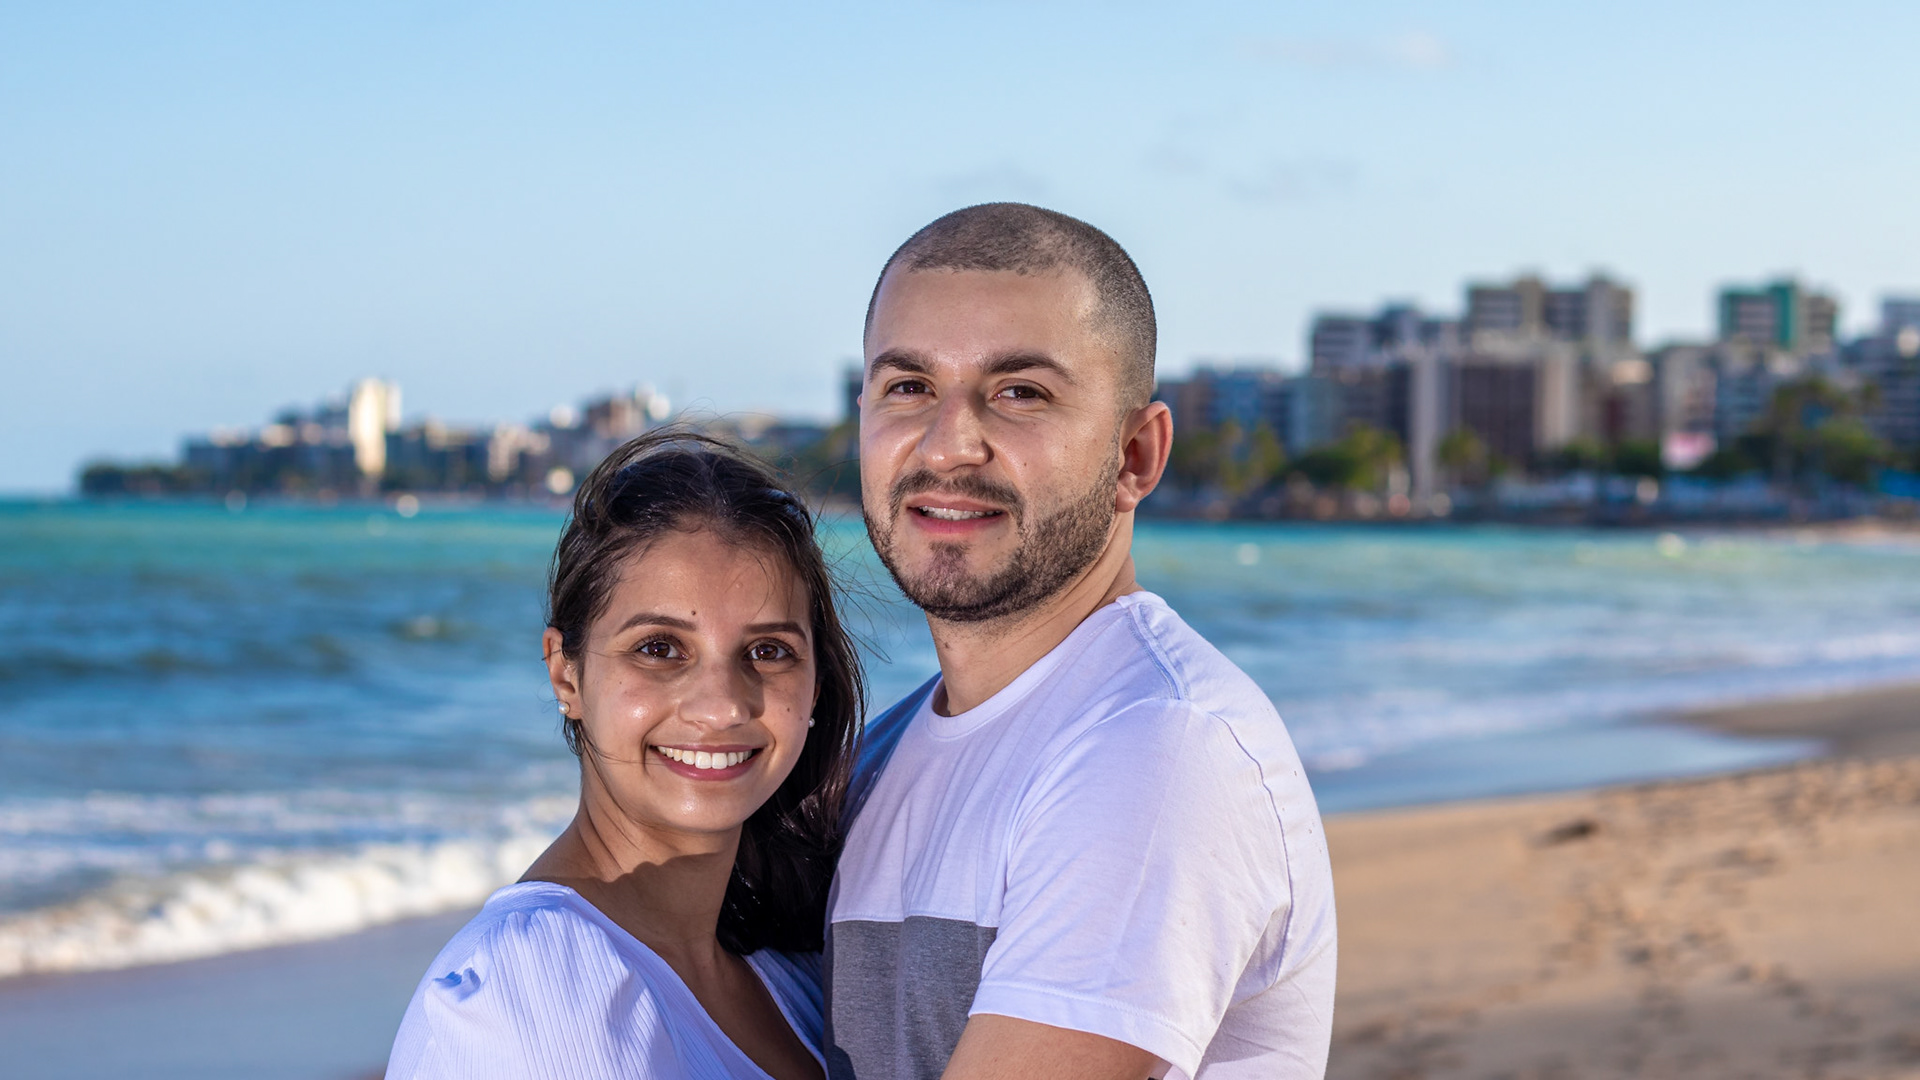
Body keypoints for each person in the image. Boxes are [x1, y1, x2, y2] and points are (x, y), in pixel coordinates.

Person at [826, 203, 1338, 1080]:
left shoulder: (1159, 749)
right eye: (908, 387)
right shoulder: (878, 757)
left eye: (1019, 393)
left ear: (1136, 455)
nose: (948, 447)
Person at [387, 431, 864, 1080]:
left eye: (768, 651)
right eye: (659, 648)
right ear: (566, 674)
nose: (722, 706)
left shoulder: (794, 975)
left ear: (816, 684)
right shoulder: (533, 993)